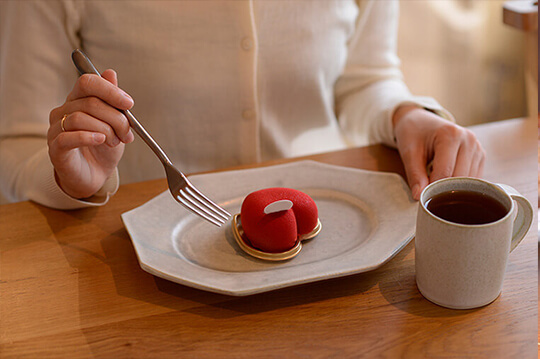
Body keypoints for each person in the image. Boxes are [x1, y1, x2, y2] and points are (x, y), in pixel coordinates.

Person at [0, 0, 485, 209]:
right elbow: (16, 146)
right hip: (140, 273)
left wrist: (407, 114)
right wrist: (69, 181)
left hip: (332, 247)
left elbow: (364, 80)